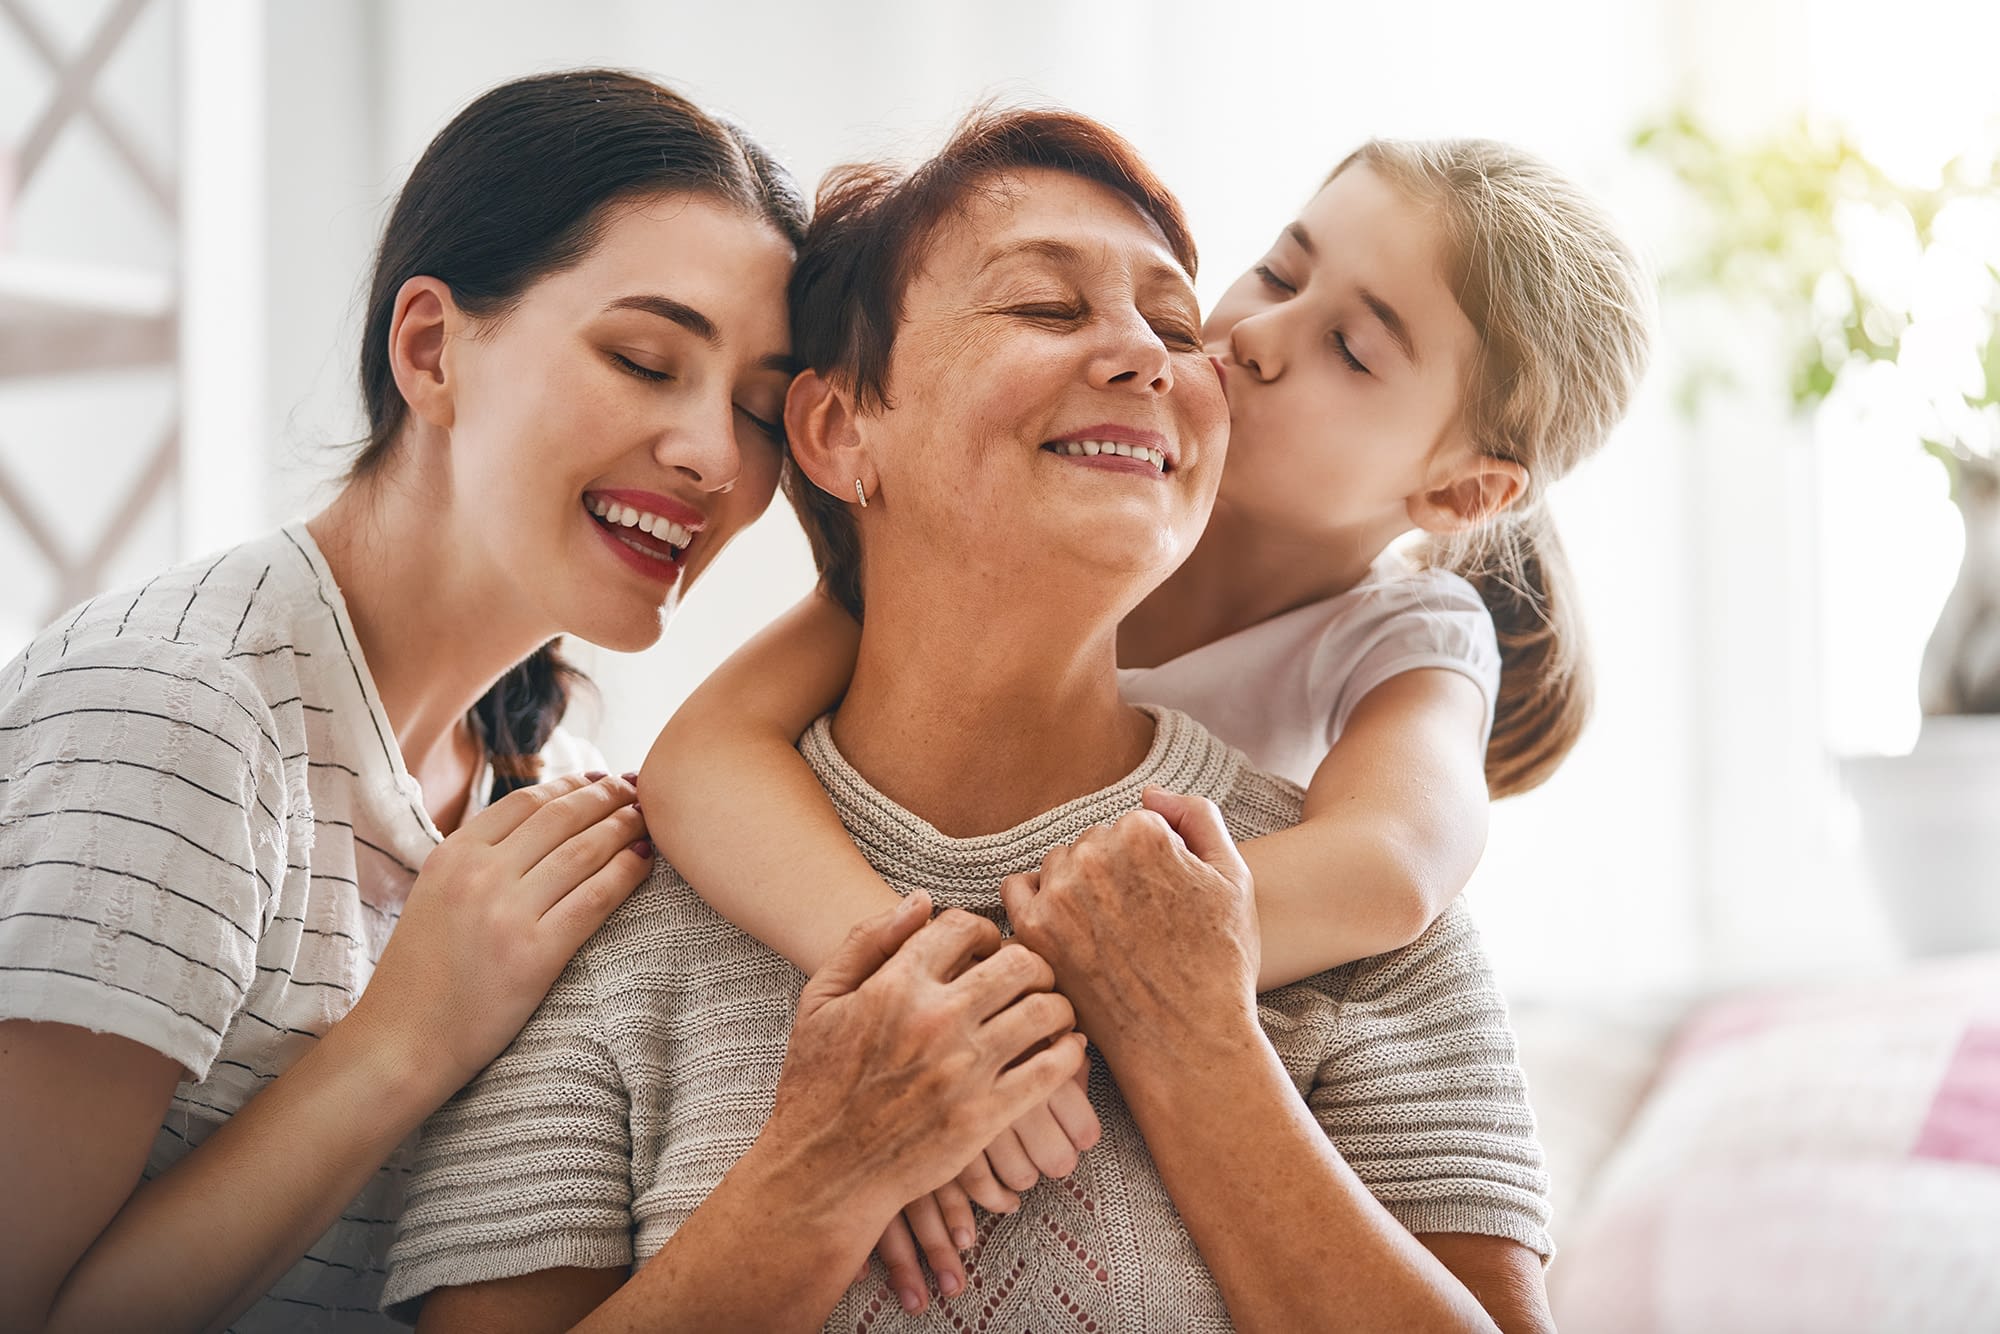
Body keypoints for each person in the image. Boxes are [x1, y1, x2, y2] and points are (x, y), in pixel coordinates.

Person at [387, 106, 1558, 1333]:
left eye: (1170, 322)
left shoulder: (1348, 906)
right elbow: (698, 760)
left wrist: (1196, 1046)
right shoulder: (589, 909)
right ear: (840, 430)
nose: (1155, 356)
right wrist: (824, 1172)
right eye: (1046, 308)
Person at [0, 70, 1078, 1333]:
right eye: (641, 359)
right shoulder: (179, 715)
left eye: (752, 409)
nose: (713, 457)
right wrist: (406, 1038)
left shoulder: (549, 782)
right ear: (430, 348)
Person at [642, 133, 1654, 1301]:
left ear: (1456, 492)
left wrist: (1081, 987)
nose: (1252, 340)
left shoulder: (1405, 633)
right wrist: (922, 994)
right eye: (1278, 272)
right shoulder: (1016, 518)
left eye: (1349, 349)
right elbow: (701, 758)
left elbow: (1391, 862)